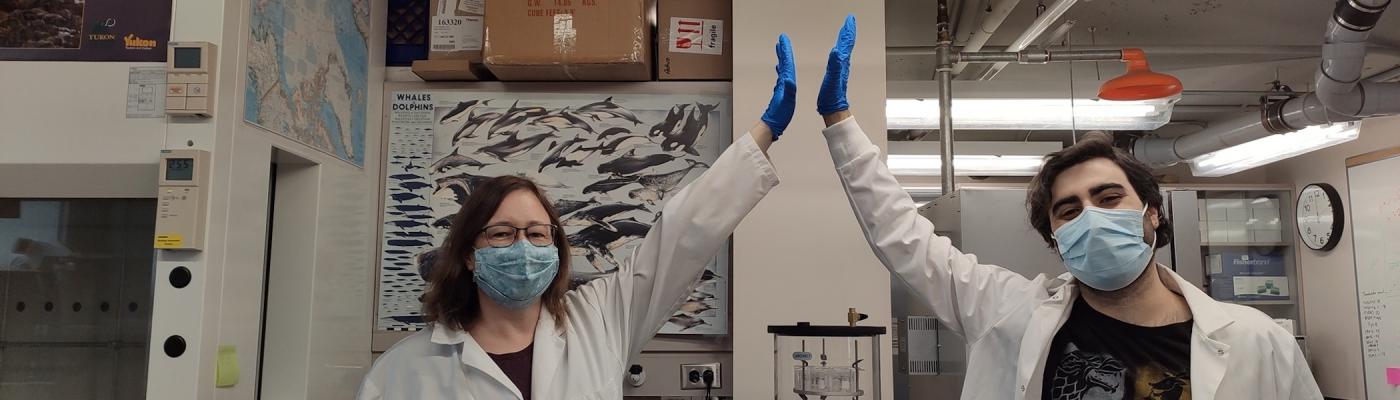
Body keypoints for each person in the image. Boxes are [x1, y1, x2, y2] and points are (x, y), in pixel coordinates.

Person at [810, 15, 1322, 400]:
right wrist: (840, 123)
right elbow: (904, 238)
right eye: (1069, 210)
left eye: (1109, 197)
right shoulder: (1011, 314)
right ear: (1056, 237)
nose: (1092, 216)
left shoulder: (1258, 342)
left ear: (1152, 213)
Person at [355, 34, 800, 400]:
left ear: (556, 247)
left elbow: (682, 237)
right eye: (502, 234)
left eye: (537, 234)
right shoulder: (402, 371)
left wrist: (766, 131)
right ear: (470, 253)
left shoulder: (599, 320)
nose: (524, 247)